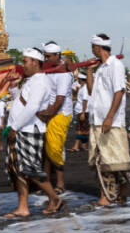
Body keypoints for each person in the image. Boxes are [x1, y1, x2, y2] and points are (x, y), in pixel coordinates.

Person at [6, 48, 63, 217]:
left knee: (31, 169)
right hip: (23, 129)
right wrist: (14, 88)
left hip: (29, 130)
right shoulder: (32, 80)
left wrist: (15, 127)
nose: (23, 65)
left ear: (35, 63)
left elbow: (32, 107)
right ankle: (23, 207)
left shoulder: (40, 81)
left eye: (25, 61)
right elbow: (21, 102)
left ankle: (54, 198)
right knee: (20, 170)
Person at [86, 34, 130, 206]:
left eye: (93, 47)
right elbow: (91, 91)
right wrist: (89, 71)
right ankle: (108, 195)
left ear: (98, 47)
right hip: (97, 120)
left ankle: (116, 195)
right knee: (100, 159)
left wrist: (110, 117)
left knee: (116, 161)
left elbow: (119, 91)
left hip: (111, 121)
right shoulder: (100, 68)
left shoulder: (115, 65)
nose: (92, 50)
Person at [41, 41, 73, 193]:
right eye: (45, 56)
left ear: (57, 55)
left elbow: (60, 99)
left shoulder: (64, 73)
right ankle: (46, 183)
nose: (46, 59)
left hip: (60, 113)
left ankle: (60, 184)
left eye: (48, 56)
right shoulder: (48, 70)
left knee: (54, 149)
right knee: (46, 150)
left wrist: (47, 114)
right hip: (49, 112)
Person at [69, 72, 91, 153]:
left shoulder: (84, 88)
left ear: (81, 79)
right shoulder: (83, 87)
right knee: (84, 129)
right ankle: (83, 146)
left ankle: (76, 146)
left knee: (80, 129)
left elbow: (85, 100)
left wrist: (83, 112)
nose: (77, 80)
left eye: (78, 79)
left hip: (82, 111)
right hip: (81, 111)